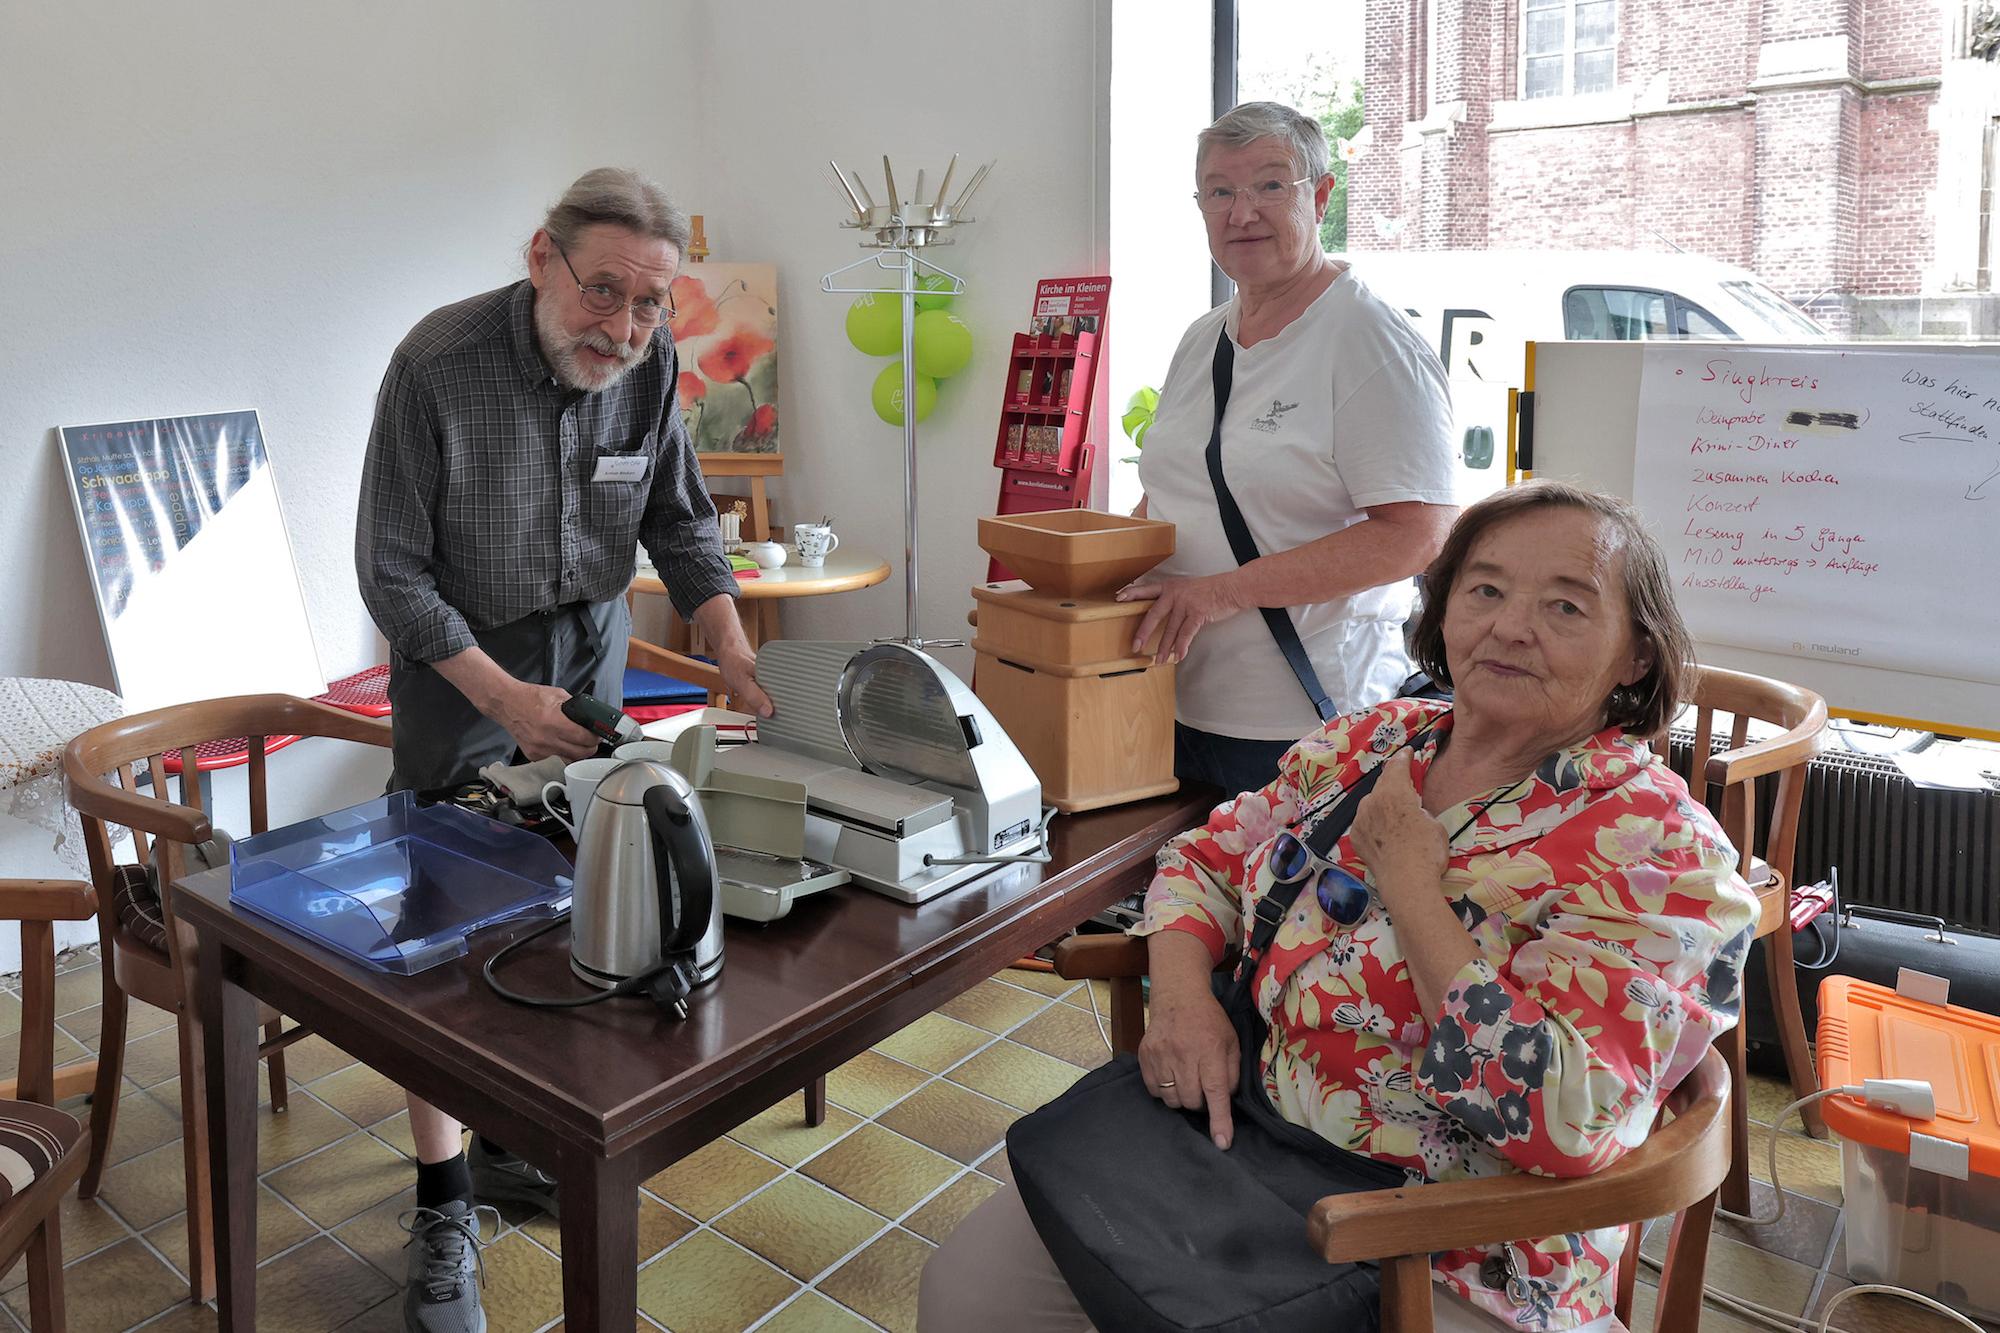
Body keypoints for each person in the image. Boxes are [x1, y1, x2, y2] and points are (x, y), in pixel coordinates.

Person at [921, 482, 1759, 1332]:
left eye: (1566, 607)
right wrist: (1179, 1000)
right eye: (1486, 589)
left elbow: (1564, 1120)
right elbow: (1204, 858)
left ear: (1637, 656)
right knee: (971, 1290)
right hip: (1237, 1151)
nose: (1510, 625)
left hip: (1456, 1250)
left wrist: (1408, 882)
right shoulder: (1374, 741)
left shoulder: (1658, 851)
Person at [355, 167, 772, 1333]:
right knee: (441, 935)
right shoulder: (436, 366)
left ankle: (514, 1135)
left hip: (587, 648)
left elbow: (680, 519)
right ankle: (442, 1204)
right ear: (542, 258)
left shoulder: (649, 368)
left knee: (569, 896)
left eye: (650, 307)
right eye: (602, 293)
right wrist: (499, 695)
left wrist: (729, 639)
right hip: (461, 667)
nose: (624, 329)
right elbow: (390, 572)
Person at [1123, 101, 1459, 796]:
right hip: (1174, 710)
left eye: (1271, 185)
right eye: (1219, 191)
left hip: (1314, 730)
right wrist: (1083, 586)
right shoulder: (1200, 339)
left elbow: (1417, 536)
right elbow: (1171, 492)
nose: (1242, 211)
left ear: (1322, 195)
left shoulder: (1368, 341)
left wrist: (1220, 593)